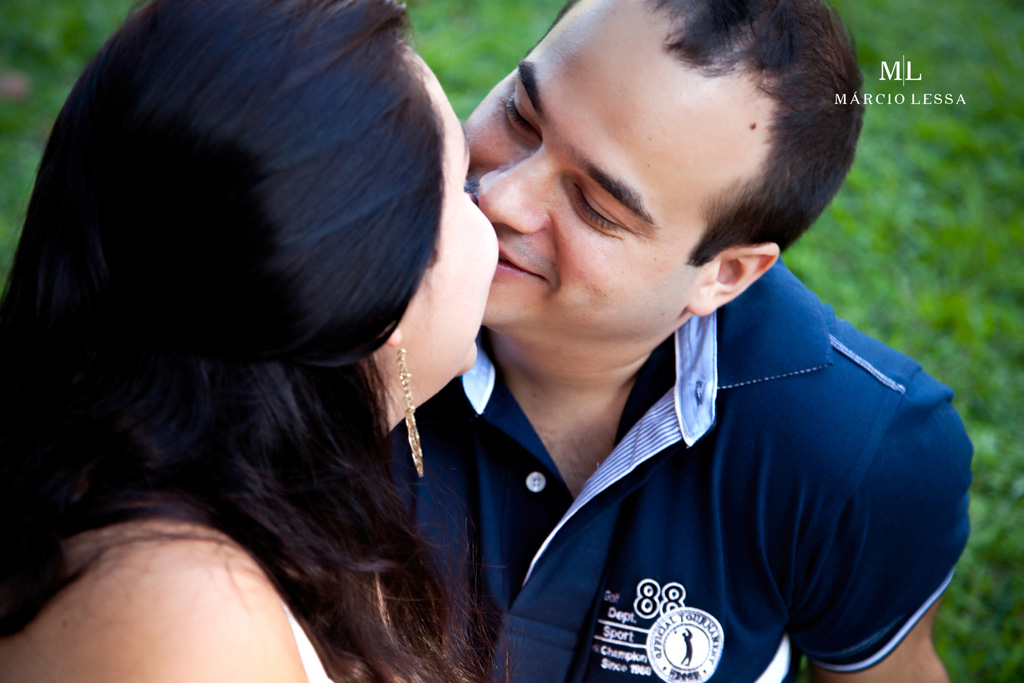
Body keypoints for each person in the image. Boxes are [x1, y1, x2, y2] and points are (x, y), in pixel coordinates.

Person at [397, 0, 973, 681]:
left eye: (594, 205)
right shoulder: (331, 309)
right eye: (522, 115)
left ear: (726, 274)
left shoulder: (860, 456)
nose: (499, 197)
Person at [0, 0, 497, 680]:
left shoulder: (258, 513)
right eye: (463, 187)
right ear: (383, 292)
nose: (499, 208)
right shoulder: (184, 606)